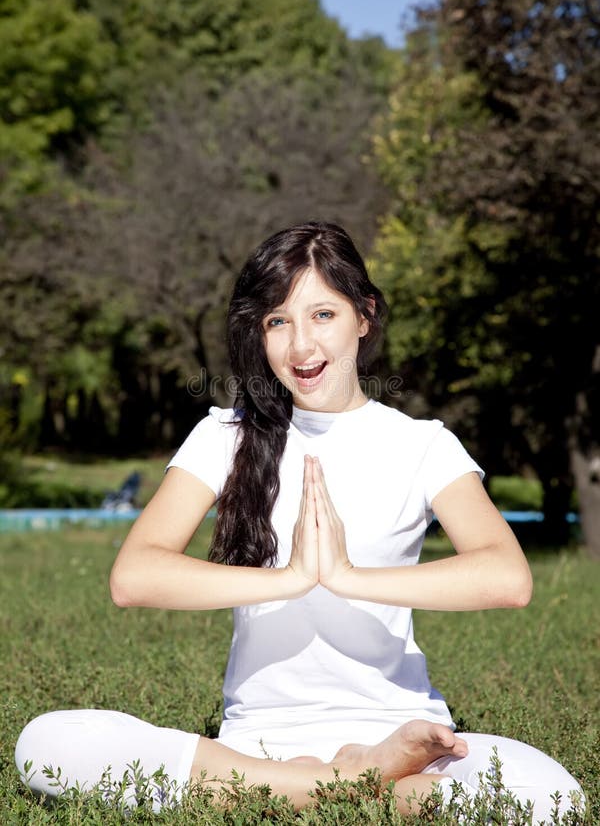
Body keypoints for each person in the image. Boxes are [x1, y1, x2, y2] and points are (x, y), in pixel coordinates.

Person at [15, 222, 583, 820]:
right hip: (258, 742)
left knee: (552, 794)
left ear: (363, 316)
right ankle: (361, 785)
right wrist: (290, 577)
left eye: (322, 316)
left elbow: (508, 578)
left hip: (397, 728)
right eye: (277, 321)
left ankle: (291, 790)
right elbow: (133, 577)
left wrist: (343, 575)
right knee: (46, 745)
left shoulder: (422, 445)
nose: (301, 346)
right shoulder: (225, 436)